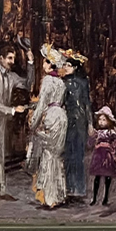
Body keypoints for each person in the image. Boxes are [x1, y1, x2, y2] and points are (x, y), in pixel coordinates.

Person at [0, 43, 33, 208]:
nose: (12, 61)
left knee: (0, 155)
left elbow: (28, 83)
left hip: (2, 120)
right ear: (1, 59)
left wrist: (31, 62)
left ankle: (1, 191)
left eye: (13, 58)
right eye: (9, 58)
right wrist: (12, 110)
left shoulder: (11, 76)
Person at [29, 45, 68, 209]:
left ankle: (50, 197)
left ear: (50, 64)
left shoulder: (47, 80)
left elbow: (42, 103)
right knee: (57, 155)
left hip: (51, 116)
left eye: (45, 62)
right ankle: (58, 194)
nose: (43, 64)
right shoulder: (61, 82)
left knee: (48, 154)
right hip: (62, 117)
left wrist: (34, 122)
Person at [61, 50, 93, 202]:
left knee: (79, 155)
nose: (65, 67)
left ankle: (79, 188)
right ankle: (68, 187)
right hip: (67, 121)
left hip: (80, 121)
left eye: (68, 65)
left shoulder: (82, 83)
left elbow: (86, 104)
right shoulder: (62, 83)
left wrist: (90, 123)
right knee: (68, 155)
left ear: (74, 67)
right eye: (65, 65)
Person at [88, 106, 116, 206]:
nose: (101, 122)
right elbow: (90, 143)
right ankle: (94, 198)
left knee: (107, 177)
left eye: (104, 120)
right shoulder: (97, 132)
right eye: (100, 120)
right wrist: (92, 137)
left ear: (109, 121)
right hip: (98, 156)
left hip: (107, 156)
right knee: (97, 178)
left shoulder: (111, 132)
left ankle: (105, 198)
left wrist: (113, 150)